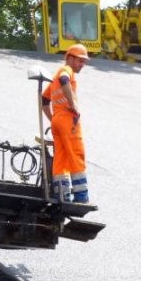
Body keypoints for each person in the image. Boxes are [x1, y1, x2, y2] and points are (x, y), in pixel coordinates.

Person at [42, 44, 91, 204]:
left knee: (60, 158)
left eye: (84, 62)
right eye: (80, 61)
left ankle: (62, 194)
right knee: (76, 153)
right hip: (68, 120)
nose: (82, 65)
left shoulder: (54, 77)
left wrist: (54, 119)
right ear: (70, 58)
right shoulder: (66, 71)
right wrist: (73, 104)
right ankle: (81, 196)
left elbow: (44, 99)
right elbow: (65, 79)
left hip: (58, 120)